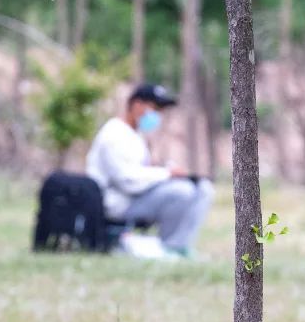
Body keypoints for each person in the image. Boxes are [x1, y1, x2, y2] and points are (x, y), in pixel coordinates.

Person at [85, 83, 213, 259]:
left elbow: (140, 171)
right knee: (181, 192)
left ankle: (182, 246)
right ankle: (170, 248)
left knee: (203, 188)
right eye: (155, 108)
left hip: (136, 196)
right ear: (137, 105)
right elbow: (128, 181)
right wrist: (167, 174)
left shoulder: (135, 134)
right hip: (119, 202)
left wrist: (164, 171)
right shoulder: (114, 134)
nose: (158, 115)